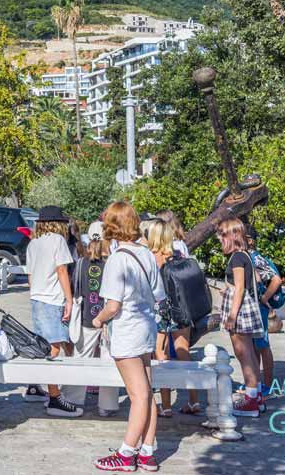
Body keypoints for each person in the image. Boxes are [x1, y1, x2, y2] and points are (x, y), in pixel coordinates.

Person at [91, 202, 166, 473]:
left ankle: (126, 453)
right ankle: (147, 452)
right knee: (147, 392)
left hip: (127, 331)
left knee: (138, 395)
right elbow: (159, 295)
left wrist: (98, 320)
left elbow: (113, 306)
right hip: (146, 327)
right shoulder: (146, 254)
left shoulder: (117, 259)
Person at [22, 206, 82, 417]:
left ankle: (34, 386)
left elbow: (30, 275)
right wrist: (69, 299)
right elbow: (62, 270)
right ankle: (55, 398)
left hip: (37, 297)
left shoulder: (33, 243)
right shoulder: (58, 241)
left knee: (43, 346)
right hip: (53, 299)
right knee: (53, 349)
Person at [148, 220, 202, 417]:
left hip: (160, 309)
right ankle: (194, 400)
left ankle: (166, 405)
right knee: (183, 351)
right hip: (180, 308)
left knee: (161, 354)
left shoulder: (151, 257)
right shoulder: (178, 254)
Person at [64, 236, 120, 417]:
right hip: (108, 317)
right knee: (109, 361)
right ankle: (107, 405)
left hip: (86, 316)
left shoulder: (81, 263)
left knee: (81, 358)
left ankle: (73, 399)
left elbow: (75, 286)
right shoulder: (111, 264)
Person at [216, 217, 265, 417]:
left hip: (240, 310)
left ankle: (250, 400)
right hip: (247, 307)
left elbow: (240, 288)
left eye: (222, 235)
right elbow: (254, 280)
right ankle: (256, 395)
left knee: (242, 352)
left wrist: (232, 316)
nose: (220, 239)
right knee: (250, 352)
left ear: (232, 235)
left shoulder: (236, 258)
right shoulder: (245, 255)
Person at [247, 225, 283, 402]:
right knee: (255, 346)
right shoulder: (248, 258)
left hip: (259, 308)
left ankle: (267, 386)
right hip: (252, 308)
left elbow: (276, 279)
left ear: (249, 241)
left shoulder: (255, 258)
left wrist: (264, 299)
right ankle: (257, 385)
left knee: (262, 345)